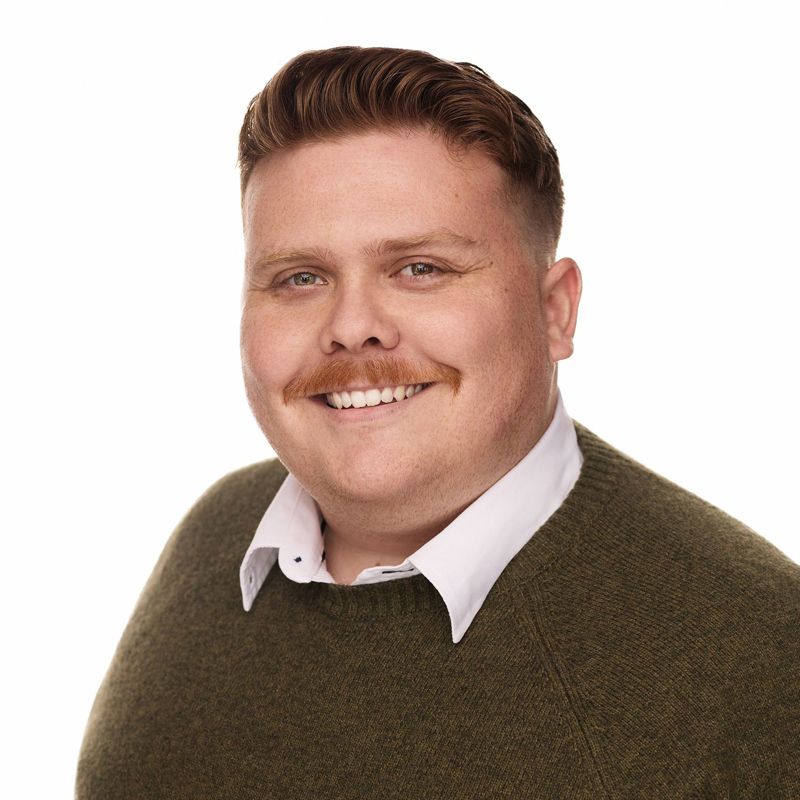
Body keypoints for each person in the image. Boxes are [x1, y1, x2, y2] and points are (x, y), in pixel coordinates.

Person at [76, 46, 800, 798]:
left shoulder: (760, 663)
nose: (351, 326)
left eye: (420, 268)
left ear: (554, 311)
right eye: (300, 278)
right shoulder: (214, 540)